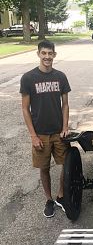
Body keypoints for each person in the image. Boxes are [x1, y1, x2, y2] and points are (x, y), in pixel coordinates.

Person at [20, 40, 71, 218]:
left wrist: (65, 126)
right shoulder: (28, 78)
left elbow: (65, 105)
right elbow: (25, 108)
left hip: (58, 131)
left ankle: (61, 196)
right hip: (40, 133)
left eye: (50, 53)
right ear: (39, 54)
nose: (47, 57)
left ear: (54, 55)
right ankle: (49, 199)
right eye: (44, 53)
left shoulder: (61, 76)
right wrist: (33, 136)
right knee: (44, 168)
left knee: (65, 164)